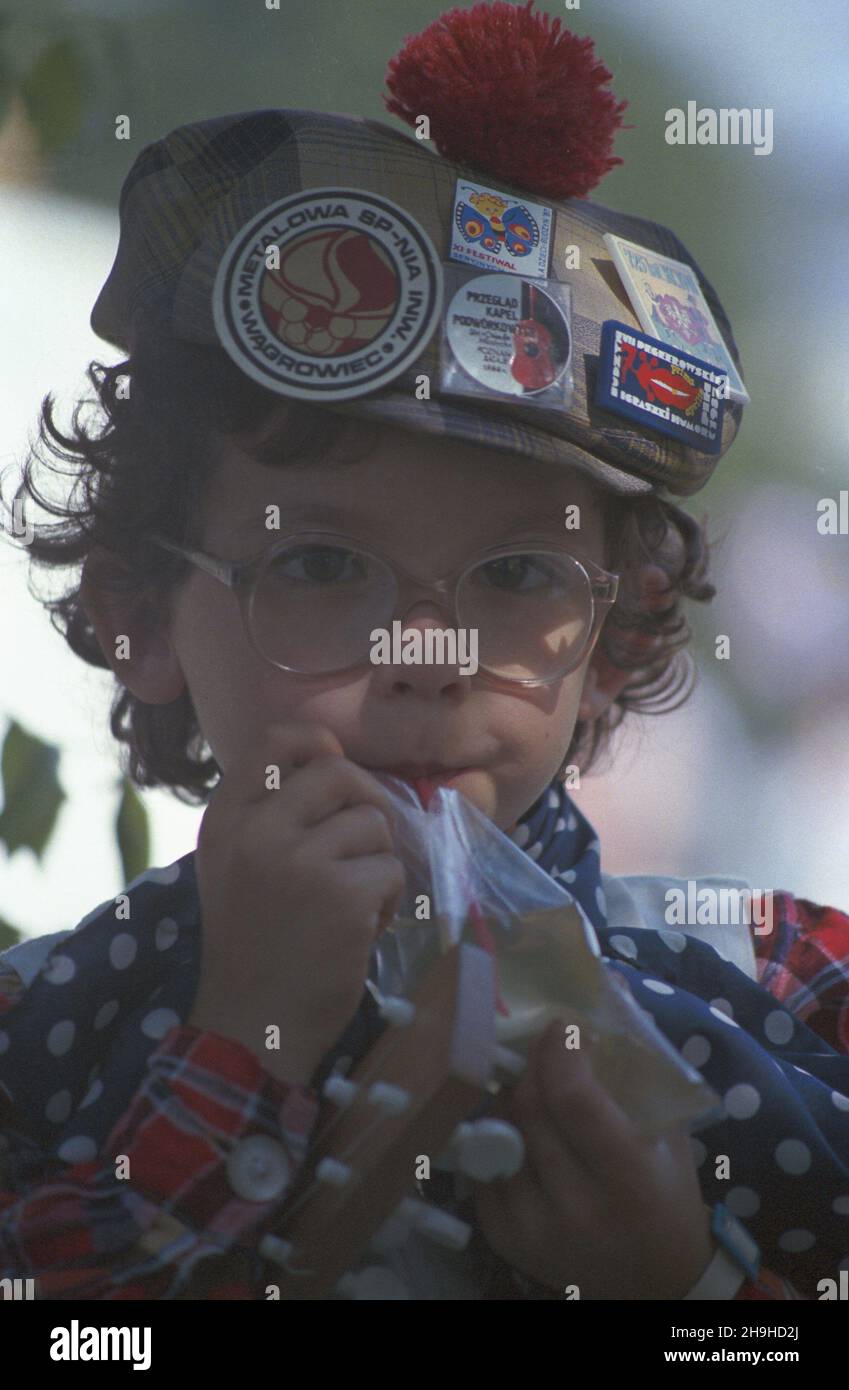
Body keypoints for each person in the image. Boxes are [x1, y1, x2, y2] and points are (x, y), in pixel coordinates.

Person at [1, 0, 847, 1302]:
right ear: (136, 609)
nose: (433, 651)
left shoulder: (790, 990)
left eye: (516, 577)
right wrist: (238, 1044)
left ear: (610, 639)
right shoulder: (40, 1026)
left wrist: (680, 1280)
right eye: (323, 565)